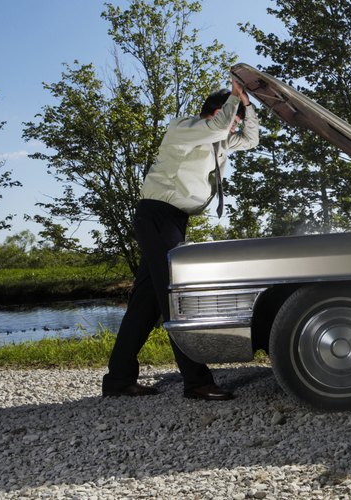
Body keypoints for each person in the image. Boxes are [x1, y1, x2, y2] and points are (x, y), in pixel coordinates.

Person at [102, 79, 259, 401]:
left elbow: (251, 140)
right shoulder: (184, 128)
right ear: (218, 112)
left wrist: (249, 107)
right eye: (234, 120)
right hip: (158, 214)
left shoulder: (219, 142)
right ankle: (197, 382)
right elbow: (219, 127)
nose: (234, 129)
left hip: (171, 220)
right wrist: (234, 98)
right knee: (176, 296)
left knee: (145, 305)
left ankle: (118, 380)